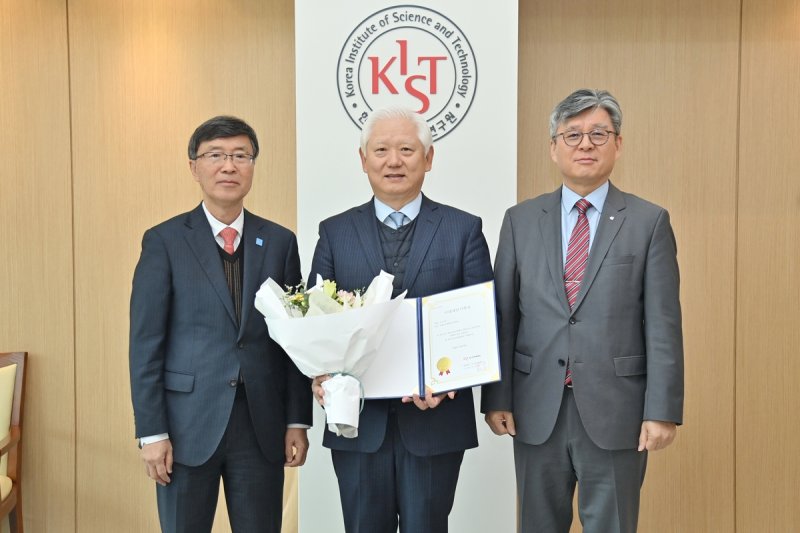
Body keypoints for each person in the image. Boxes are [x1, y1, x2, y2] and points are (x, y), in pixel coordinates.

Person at [481, 89, 684, 533]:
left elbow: (663, 324)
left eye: (598, 134)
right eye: (572, 134)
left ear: (618, 144)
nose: (585, 144)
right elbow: (504, 317)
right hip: (536, 407)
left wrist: (662, 409)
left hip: (618, 410)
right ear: (554, 147)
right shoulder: (520, 220)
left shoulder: (648, 221)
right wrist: (497, 397)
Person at [309, 107, 493, 533]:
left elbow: (481, 321)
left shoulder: (463, 229)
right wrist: (320, 374)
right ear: (363, 159)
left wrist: (449, 382)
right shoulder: (334, 232)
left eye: (407, 150)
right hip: (357, 422)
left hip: (434, 421)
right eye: (381, 150)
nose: (394, 161)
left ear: (429, 158)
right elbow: (317, 321)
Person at [129, 115, 312, 533]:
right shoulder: (164, 241)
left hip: (261, 426)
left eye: (240, 156)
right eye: (215, 155)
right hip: (186, 427)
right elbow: (145, 344)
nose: (229, 166)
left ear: (252, 166)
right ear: (194, 167)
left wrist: (296, 421)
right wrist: (152, 432)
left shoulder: (280, 242)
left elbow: (294, 341)